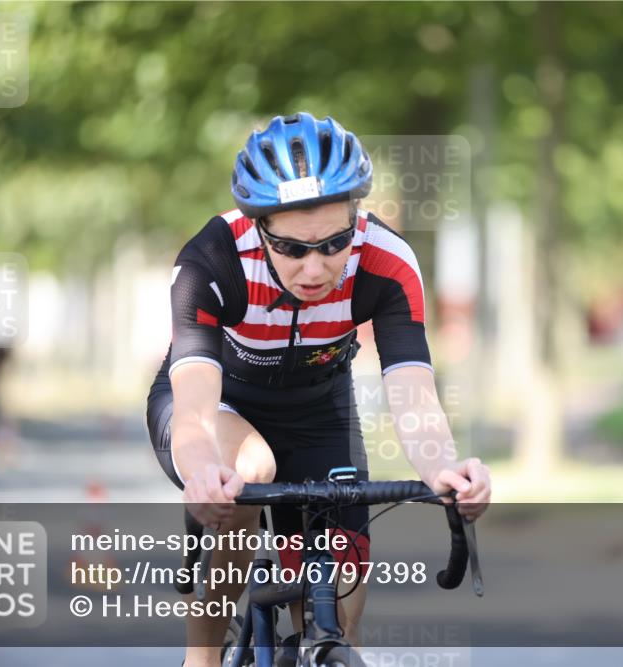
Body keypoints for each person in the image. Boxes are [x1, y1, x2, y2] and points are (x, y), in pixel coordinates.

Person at [145, 112, 491, 667]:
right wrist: (203, 468)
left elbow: (412, 391)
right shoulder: (212, 261)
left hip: (319, 410)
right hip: (222, 405)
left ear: (356, 218)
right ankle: (203, 656)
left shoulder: (385, 262)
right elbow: (193, 403)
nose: (314, 267)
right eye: (292, 248)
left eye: (333, 243)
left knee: (340, 619)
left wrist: (444, 469)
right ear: (259, 228)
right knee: (249, 470)